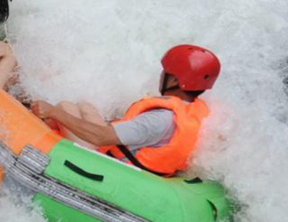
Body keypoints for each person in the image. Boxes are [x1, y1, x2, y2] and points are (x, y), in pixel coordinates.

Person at [30, 45, 220, 176]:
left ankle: (34, 128)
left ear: (175, 81)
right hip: (141, 157)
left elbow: (100, 138)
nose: (161, 74)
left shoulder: (160, 119)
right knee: (83, 106)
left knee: (63, 108)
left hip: (109, 166)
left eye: (166, 72)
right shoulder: (195, 110)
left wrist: (53, 113)